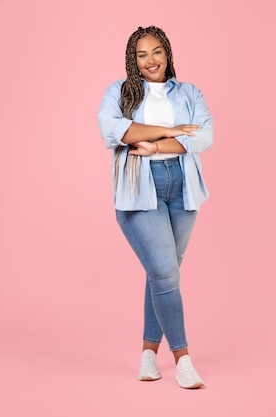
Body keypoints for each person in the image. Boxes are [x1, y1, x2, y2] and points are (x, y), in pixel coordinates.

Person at [97, 26, 213, 389]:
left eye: (157, 51)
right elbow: (113, 130)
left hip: (183, 187)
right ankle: (183, 359)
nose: (151, 60)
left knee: (164, 274)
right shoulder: (120, 91)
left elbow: (204, 137)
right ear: (133, 60)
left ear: (168, 54)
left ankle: (149, 353)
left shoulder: (190, 92)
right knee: (164, 273)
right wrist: (173, 130)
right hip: (139, 189)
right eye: (141, 54)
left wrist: (158, 145)